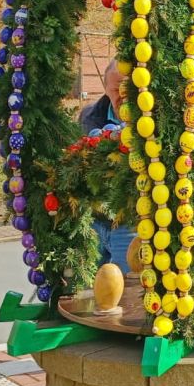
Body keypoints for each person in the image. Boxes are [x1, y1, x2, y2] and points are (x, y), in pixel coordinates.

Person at [78, 58, 132, 265]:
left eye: (127, 88)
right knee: (90, 290)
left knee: (126, 287)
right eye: (116, 90)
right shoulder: (89, 117)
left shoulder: (148, 122)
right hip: (94, 222)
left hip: (127, 225)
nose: (122, 96)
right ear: (106, 89)